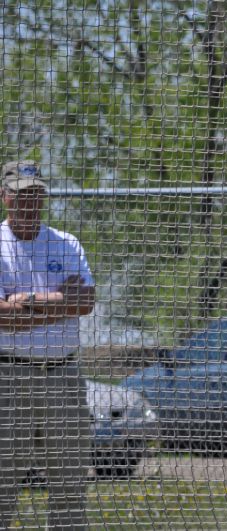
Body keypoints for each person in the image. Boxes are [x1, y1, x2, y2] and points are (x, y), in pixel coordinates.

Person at [0, 160, 96, 529]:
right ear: (5, 197)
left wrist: (28, 302)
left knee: (70, 482)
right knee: (4, 480)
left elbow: (86, 302)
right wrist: (60, 301)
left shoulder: (66, 242)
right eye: (22, 195)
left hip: (63, 375)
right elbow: (1, 317)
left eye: (36, 195)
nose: (30, 203)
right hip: (10, 376)